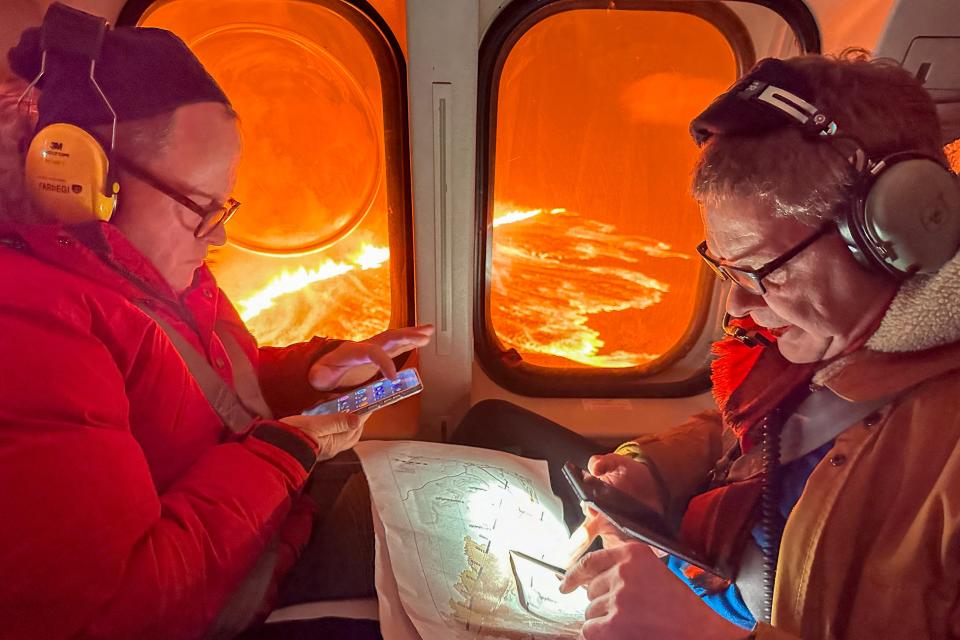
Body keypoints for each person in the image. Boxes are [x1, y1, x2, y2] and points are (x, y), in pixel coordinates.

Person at [454, 51, 960, 639]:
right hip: (690, 570)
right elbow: (760, 435)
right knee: (489, 423)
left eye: (762, 271)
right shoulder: (823, 351)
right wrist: (651, 472)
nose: (737, 307)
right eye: (727, 271)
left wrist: (701, 633)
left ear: (889, 233)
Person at [0, 10, 432, 640]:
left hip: (268, 542)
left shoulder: (153, 267)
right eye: (201, 207)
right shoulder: (29, 329)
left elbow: (204, 387)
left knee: (482, 447)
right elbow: (118, 615)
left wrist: (310, 376)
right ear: (76, 180)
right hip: (235, 604)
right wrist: (294, 445)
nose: (220, 234)